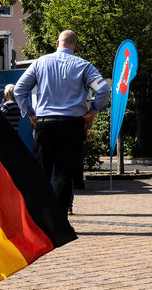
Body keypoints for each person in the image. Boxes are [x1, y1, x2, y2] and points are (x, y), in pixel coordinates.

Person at [14, 30, 110, 216]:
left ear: (57, 43)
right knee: (65, 173)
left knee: (41, 172)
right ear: (76, 46)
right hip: (71, 125)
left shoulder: (40, 62)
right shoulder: (84, 65)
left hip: (45, 123)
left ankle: (41, 217)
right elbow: (103, 89)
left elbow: (19, 90)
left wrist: (30, 114)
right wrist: (93, 112)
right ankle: (60, 217)